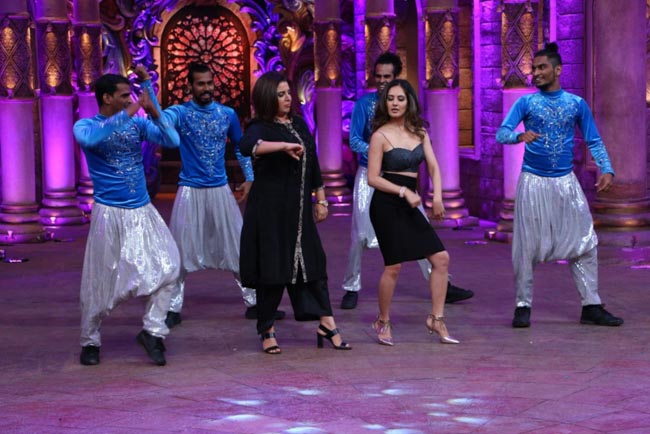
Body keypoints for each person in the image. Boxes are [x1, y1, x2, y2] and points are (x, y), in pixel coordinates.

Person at [496, 42, 623, 328]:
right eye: (534, 69)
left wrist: (606, 168)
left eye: (542, 67)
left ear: (558, 70)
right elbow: (501, 133)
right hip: (533, 182)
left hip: (566, 183)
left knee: (585, 241)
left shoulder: (576, 104)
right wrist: (519, 136)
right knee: (526, 246)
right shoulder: (526, 103)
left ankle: (591, 305)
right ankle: (523, 305)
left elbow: (593, 139)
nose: (536, 73)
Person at [341, 51, 473, 310]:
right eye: (378, 76)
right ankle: (351, 286)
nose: (381, 81)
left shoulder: (404, 109)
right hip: (370, 177)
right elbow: (354, 139)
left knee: (420, 229)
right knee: (360, 234)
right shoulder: (364, 105)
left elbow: (427, 155)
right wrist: (380, 151)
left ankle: (443, 284)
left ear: (396, 78)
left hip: (401, 181)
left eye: (387, 77)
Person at [161, 62, 284, 327]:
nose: (207, 88)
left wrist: (249, 177)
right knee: (179, 252)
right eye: (201, 84)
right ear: (190, 86)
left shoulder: (227, 114)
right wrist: (148, 89)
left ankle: (255, 302)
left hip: (220, 189)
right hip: (190, 190)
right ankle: (171, 307)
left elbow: (242, 147)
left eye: (209, 83)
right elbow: (160, 122)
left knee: (239, 246)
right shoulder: (180, 113)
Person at [74, 66, 181, 366]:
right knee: (101, 280)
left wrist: (153, 108)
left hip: (142, 210)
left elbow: (172, 140)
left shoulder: (137, 124)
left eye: (130, 96)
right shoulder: (85, 126)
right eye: (124, 96)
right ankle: (90, 340)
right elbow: (94, 140)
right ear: (106, 98)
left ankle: (153, 332)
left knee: (170, 267)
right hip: (109, 214)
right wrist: (134, 109)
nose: (129, 100)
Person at [239, 71, 351, 354]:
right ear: (268, 98)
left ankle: (327, 322)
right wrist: (282, 146)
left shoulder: (299, 124)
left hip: (299, 213)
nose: (288, 98)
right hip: (270, 213)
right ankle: (267, 329)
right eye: (281, 94)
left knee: (313, 265)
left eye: (288, 92)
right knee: (273, 269)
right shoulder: (260, 127)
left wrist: (322, 199)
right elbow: (247, 146)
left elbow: (312, 164)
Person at [367, 79, 459, 346]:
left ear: (409, 102)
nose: (395, 103)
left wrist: (437, 196)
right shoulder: (379, 136)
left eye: (400, 99)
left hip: (410, 204)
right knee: (393, 266)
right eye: (390, 99)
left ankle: (437, 319)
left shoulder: (419, 132)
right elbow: (373, 178)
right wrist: (403, 192)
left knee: (441, 259)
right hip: (386, 204)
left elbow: (434, 168)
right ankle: (383, 320)